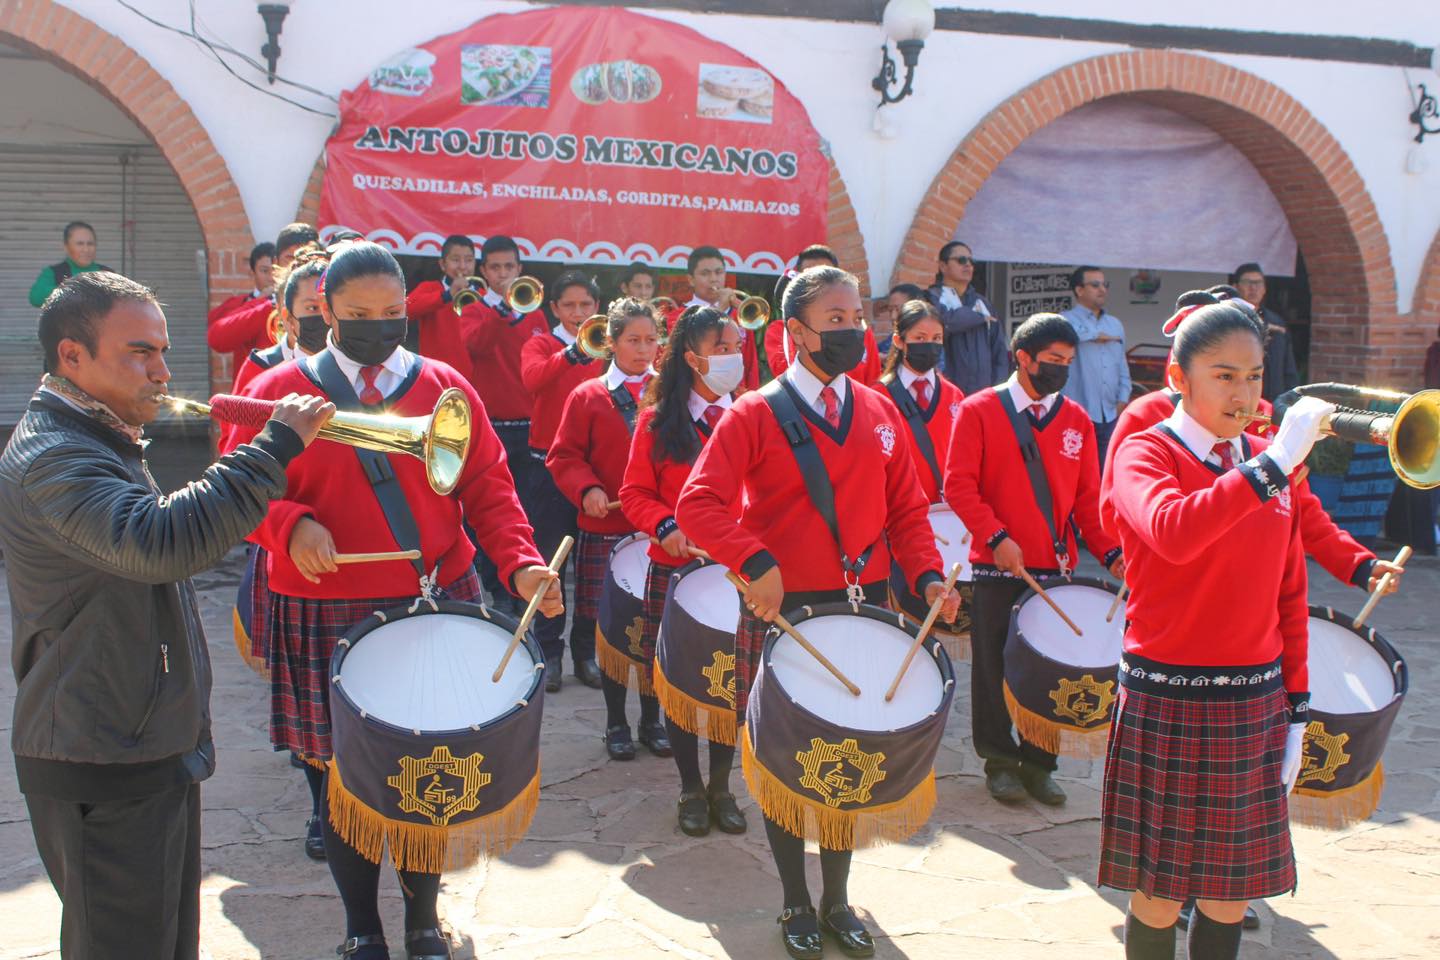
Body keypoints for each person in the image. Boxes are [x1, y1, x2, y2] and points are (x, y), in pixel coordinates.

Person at [229, 241, 561, 960]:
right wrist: (290, 525)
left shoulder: (444, 386)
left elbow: (489, 488)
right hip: (323, 601)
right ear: (326, 311)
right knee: (340, 783)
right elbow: (239, 492)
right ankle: (361, 929)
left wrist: (524, 565)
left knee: (425, 772)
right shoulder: (281, 387)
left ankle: (420, 922)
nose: (378, 326)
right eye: (358, 315)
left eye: (391, 313)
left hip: (432, 597)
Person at [0, 271, 332, 960]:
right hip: (101, 749)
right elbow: (159, 541)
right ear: (71, 357)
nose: (161, 371)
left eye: (162, 351)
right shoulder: (55, 453)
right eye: (139, 353)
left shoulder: (98, 433)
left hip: (135, 740)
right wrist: (271, 450)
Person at [677, 266, 958, 960]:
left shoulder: (880, 410)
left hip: (862, 609)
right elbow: (698, 504)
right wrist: (754, 561)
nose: (853, 329)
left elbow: (907, 511)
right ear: (793, 333)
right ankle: (794, 900)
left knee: (849, 757)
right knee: (783, 762)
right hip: (785, 614)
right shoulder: (753, 413)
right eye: (835, 319)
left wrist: (925, 577)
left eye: (857, 315)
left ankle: (836, 897)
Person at [1100, 300, 1332, 960]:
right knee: (1159, 889)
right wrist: (1274, 463)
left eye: (1255, 376)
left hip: (1253, 698)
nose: (1244, 393)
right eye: (1224, 375)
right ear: (1179, 376)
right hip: (1167, 695)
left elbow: (1290, 589)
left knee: (1231, 892)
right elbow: (1175, 533)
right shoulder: (1145, 450)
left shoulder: (1270, 461)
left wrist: (1295, 706)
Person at [945, 313, 1124, 807]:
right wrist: (995, 536)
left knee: (1050, 670)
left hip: (1054, 566)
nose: (1061, 370)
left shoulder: (1077, 421)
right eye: (1052, 361)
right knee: (993, 667)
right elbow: (958, 484)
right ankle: (999, 762)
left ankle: (1040, 763)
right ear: (1022, 358)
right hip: (995, 565)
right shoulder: (979, 410)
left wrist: (1110, 551)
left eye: (1068, 362)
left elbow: (1089, 499)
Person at [620, 305, 746, 835]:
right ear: (693, 358)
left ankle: (722, 786)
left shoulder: (755, 415)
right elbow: (633, 493)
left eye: (739, 346)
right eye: (723, 349)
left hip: (736, 572)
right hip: (673, 570)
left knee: (730, 685)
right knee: (678, 682)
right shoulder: (656, 419)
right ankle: (690, 787)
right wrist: (666, 525)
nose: (735, 358)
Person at [547, 299, 667, 760]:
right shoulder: (588, 395)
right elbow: (564, 456)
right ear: (611, 342)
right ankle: (617, 722)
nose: (642, 349)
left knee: (656, 629)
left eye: (650, 340)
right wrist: (588, 490)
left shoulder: (671, 393)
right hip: (606, 529)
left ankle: (652, 719)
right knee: (613, 631)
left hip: (659, 530)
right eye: (632, 340)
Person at [520, 271, 606, 691]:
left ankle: (585, 654)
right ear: (554, 309)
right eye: (569, 306)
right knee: (551, 565)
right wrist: (571, 353)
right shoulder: (541, 343)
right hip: (547, 470)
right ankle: (549, 654)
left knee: (591, 570)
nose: (578, 313)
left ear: (596, 306)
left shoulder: (607, 347)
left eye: (585, 306)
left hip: (593, 474)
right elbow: (533, 380)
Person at [875, 299, 964, 504]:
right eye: (920, 338)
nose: (930, 345)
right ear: (899, 341)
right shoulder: (878, 397)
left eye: (937, 338)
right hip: (901, 513)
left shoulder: (955, 396)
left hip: (950, 517)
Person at [208, 223, 319, 375]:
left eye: (308, 257)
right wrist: (270, 306)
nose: (299, 265)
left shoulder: (331, 306)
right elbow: (217, 339)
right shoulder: (262, 306)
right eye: (290, 258)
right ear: (276, 262)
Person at [663, 245, 760, 391]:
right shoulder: (677, 316)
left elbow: (750, 365)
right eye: (705, 273)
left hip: (736, 398)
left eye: (719, 272)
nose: (714, 279)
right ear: (691, 279)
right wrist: (720, 309)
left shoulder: (740, 315)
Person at [1061, 265, 1131, 465]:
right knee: (1074, 470)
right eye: (1095, 285)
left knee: (1105, 472)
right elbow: (1070, 336)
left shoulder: (1114, 324)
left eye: (1105, 284)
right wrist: (1094, 336)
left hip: (1111, 412)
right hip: (1077, 412)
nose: (1102, 290)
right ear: (1079, 290)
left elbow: (1122, 364)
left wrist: (1123, 398)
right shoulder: (1065, 320)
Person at [925, 240, 1008, 394]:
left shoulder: (983, 303)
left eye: (971, 261)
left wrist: (998, 391)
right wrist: (978, 316)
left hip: (984, 395)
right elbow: (946, 323)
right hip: (946, 393)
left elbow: (999, 352)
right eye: (961, 260)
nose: (968, 265)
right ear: (943, 266)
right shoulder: (932, 298)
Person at [400, 233, 482, 382]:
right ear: (443, 264)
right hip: (435, 376)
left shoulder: (483, 294)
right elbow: (404, 310)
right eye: (456, 260)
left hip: (474, 379)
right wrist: (446, 295)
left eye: (469, 260)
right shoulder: (429, 288)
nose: (463, 266)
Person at [1232, 262, 1301, 401]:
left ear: (1264, 289)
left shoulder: (1277, 322)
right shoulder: (1229, 319)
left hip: (1275, 401)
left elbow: (1288, 368)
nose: (1253, 288)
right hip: (1240, 399)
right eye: (1247, 282)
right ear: (1235, 287)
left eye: (1258, 283)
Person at [27, 220, 111, 308]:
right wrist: (74, 290)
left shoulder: (107, 274)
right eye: (80, 244)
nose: (86, 250)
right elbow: (36, 298)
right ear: (66, 247)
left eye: (90, 244)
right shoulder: (54, 272)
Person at [207, 242, 277, 335]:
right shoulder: (237, 303)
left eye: (275, 270)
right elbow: (215, 330)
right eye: (264, 271)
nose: (271, 277)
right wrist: (257, 301)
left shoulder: (289, 303)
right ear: (252, 273)